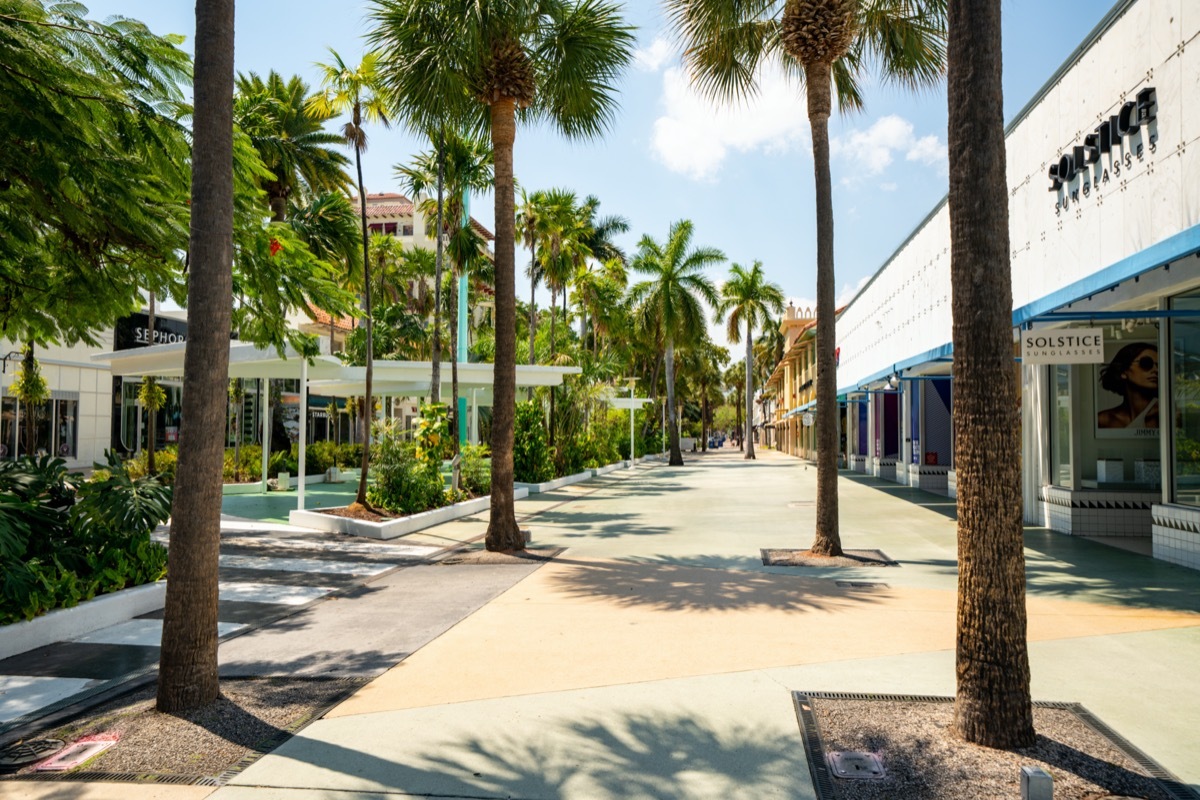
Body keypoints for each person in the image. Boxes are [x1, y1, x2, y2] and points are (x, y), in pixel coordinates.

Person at [1097, 342, 1159, 429]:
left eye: (1159, 365)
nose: (1156, 370)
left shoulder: (1165, 416)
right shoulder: (1104, 420)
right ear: (1123, 371)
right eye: (1146, 363)